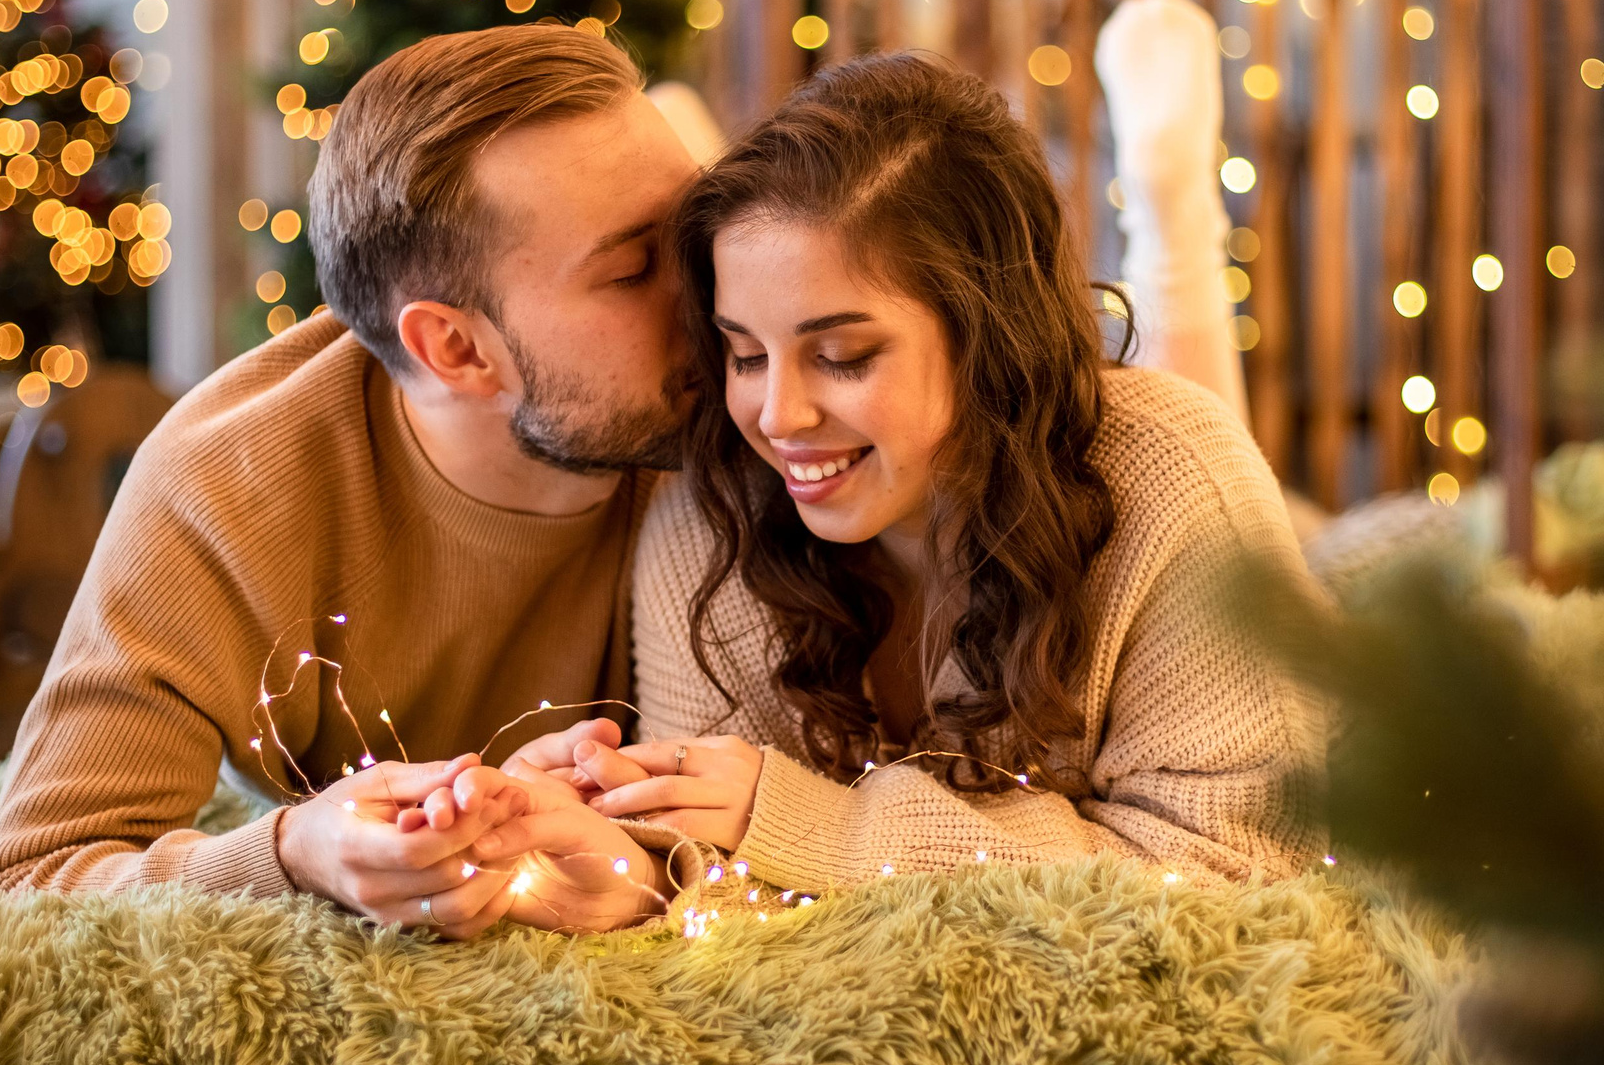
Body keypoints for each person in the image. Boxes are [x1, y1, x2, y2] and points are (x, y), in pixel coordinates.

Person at [503, 52, 1323, 893]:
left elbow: (1243, 872)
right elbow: (703, 873)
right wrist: (589, 864)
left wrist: (827, 827)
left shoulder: (1172, 477)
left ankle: (1178, 231)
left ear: (989, 335)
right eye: (744, 353)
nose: (777, 416)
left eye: (843, 355)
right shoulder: (709, 514)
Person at [0, 25, 697, 936]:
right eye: (634, 268)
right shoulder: (228, 489)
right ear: (456, 348)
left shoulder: (753, 399)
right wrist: (289, 856)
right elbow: (22, 886)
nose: (710, 290)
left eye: (698, 228)